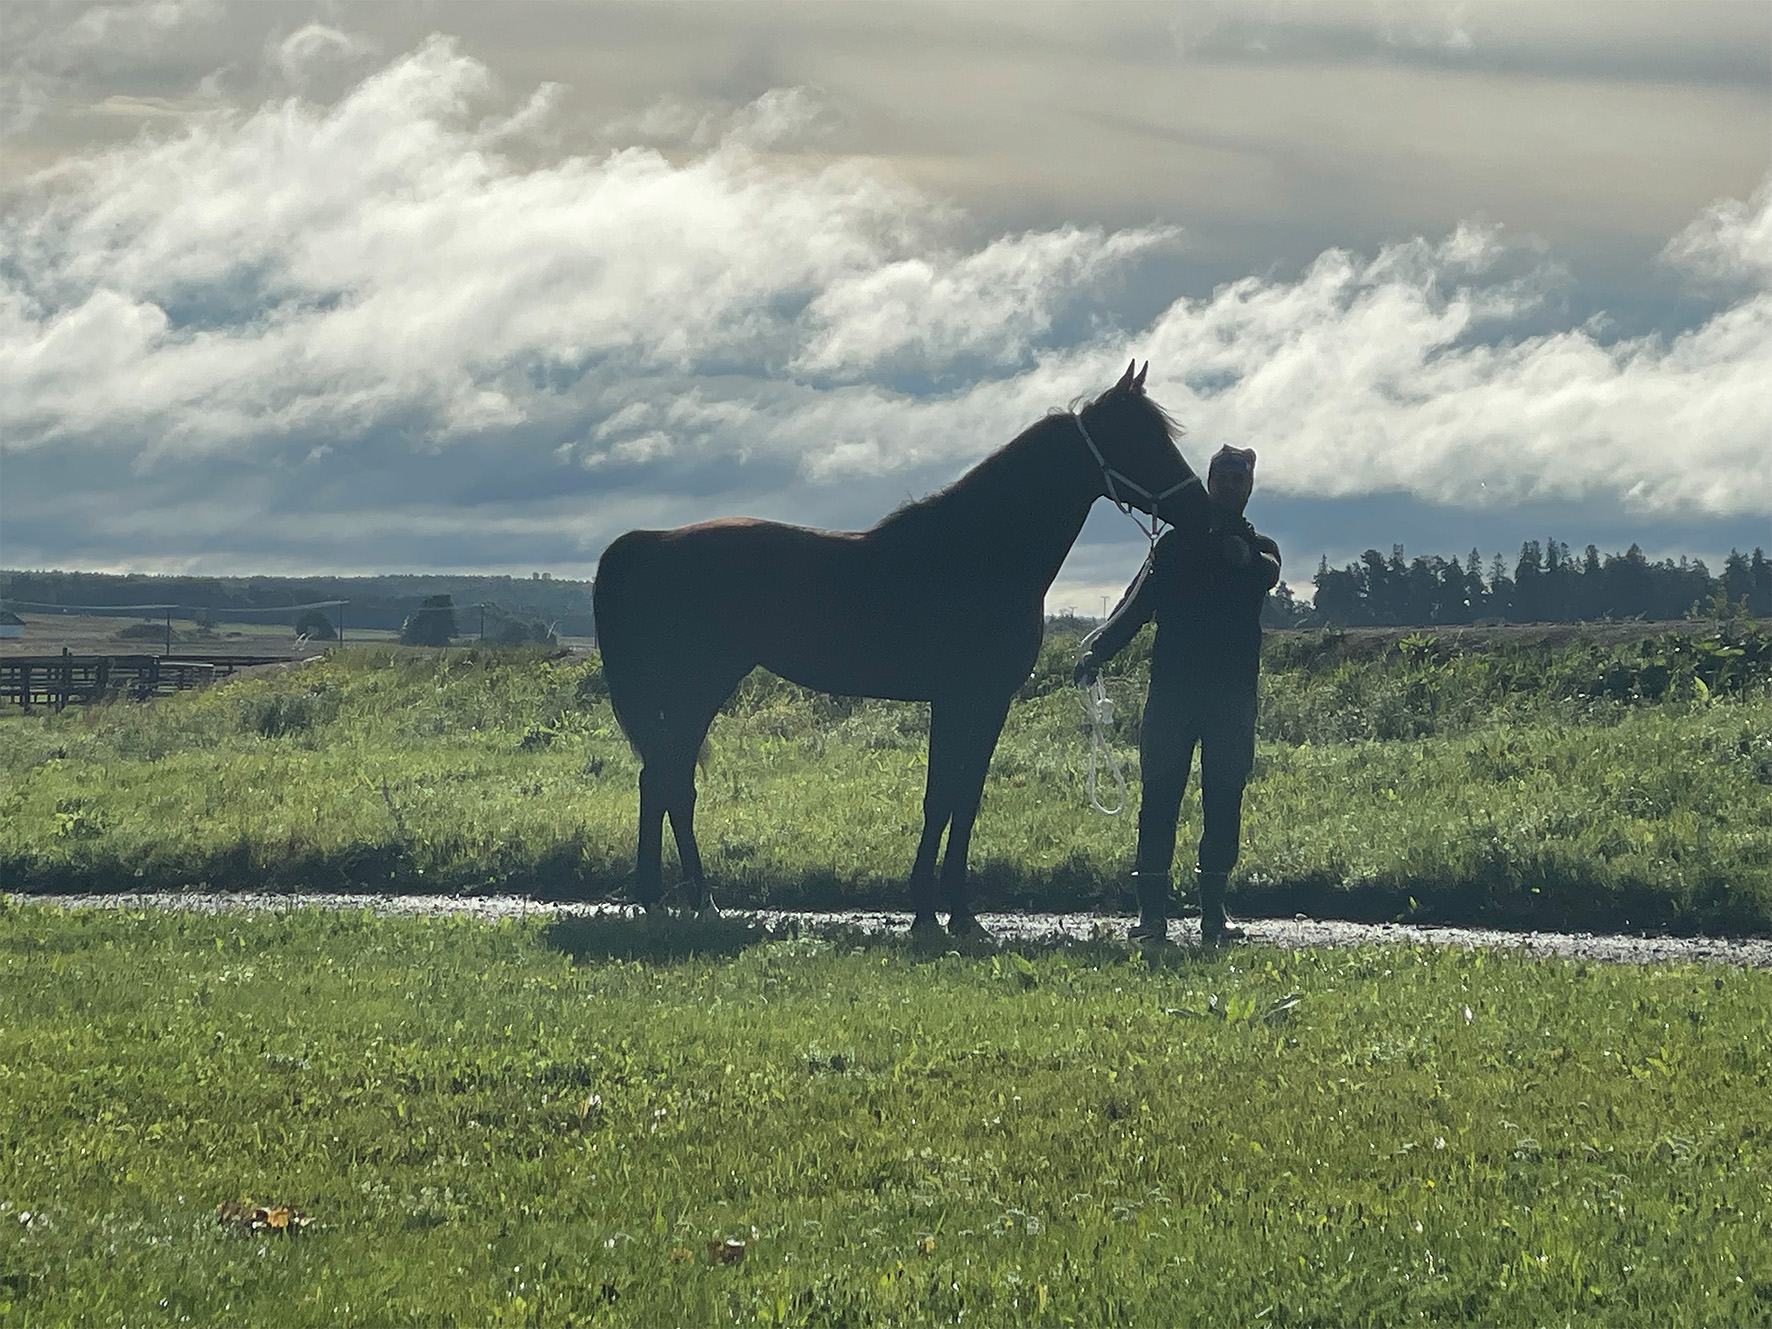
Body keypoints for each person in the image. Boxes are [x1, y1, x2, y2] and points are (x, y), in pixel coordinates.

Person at [1074, 445, 1281, 944]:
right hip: (1172, 696)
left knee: (1224, 801)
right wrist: (1097, 651)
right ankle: (1152, 918)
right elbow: (1135, 606)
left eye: (1238, 479)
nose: (1229, 486)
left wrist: (1242, 554)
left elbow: (1267, 571)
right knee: (1159, 802)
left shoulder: (1261, 549)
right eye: (1222, 477)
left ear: (1249, 487)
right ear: (1208, 483)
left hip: (1231, 700)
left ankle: (1214, 915)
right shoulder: (1171, 548)